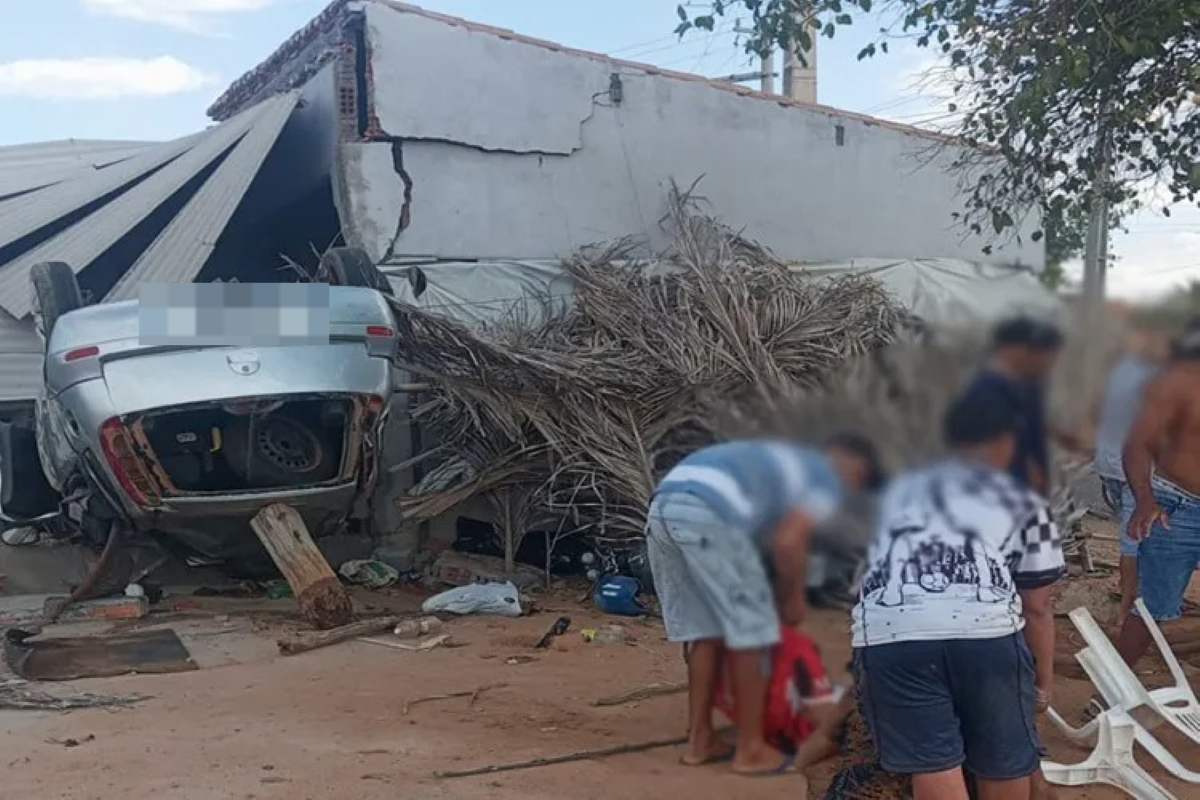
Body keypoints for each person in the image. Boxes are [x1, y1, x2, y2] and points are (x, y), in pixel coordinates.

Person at [851, 389, 1065, 800]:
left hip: (894, 637)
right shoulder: (1021, 496)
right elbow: (1038, 605)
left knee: (934, 762)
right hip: (987, 635)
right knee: (1003, 759)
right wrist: (1043, 682)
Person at [645, 437, 866, 777]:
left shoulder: (779, 460)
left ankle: (699, 740)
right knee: (753, 634)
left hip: (664, 506)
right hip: (708, 513)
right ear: (853, 466)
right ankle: (750, 750)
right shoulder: (824, 478)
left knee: (705, 631)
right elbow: (790, 543)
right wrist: (792, 601)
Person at [1116, 320, 1200, 667]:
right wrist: (1145, 500)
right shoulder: (1177, 380)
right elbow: (1137, 442)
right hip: (1175, 506)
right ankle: (1109, 697)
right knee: (1152, 609)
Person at [1093, 327, 1168, 625]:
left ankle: (1131, 596)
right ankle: (1128, 610)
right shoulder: (1154, 377)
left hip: (1110, 464)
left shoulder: (1118, 369)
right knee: (1134, 540)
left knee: (1133, 537)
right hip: (1135, 470)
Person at [960, 317, 1064, 494]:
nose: (1047, 362)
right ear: (1016, 351)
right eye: (1041, 353)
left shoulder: (1027, 388)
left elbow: (1031, 434)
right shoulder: (987, 394)